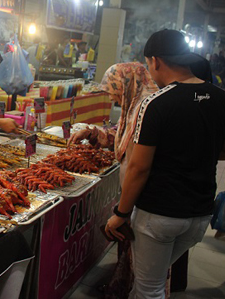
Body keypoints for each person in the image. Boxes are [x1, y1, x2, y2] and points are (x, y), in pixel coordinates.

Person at [105, 29, 225, 298]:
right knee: (149, 281)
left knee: (149, 289)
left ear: (155, 61)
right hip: (199, 215)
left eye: (148, 63)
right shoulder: (222, 99)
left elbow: (139, 167)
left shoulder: (156, 103)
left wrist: (120, 214)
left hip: (160, 215)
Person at [69, 63, 157, 298]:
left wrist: (122, 211)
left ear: (127, 83)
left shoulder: (147, 109)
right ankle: (123, 287)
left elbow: (140, 163)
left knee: (147, 268)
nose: (111, 96)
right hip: (134, 191)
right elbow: (118, 133)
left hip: (144, 194)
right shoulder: (134, 106)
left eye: (113, 88)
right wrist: (90, 132)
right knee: (130, 247)